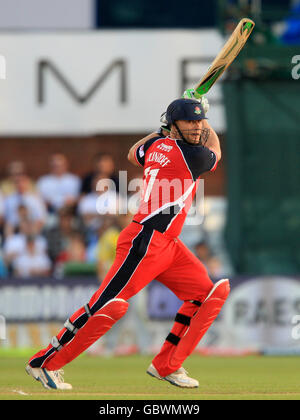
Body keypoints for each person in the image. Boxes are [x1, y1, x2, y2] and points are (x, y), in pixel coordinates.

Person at [25, 94, 230, 390]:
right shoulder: (190, 155)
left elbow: (134, 152)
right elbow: (215, 151)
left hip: (169, 244)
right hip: (145, 241)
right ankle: (44, 362)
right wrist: (208, 119)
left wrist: (163, 129)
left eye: (200, 120)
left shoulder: (156, 145)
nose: (198, 127)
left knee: (207, 294)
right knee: (107, 305)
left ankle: (167, 365)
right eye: (192, 121)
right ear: (175, 124)